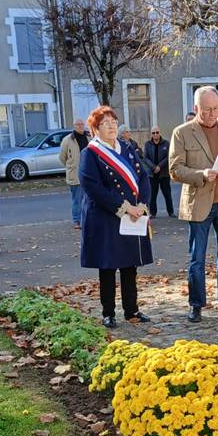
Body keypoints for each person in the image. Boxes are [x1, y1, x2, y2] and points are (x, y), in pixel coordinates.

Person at [169, 85, 218, 322]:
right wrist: (201, 174)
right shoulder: (181, 132)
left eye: (215, 109)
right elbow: (174, 169)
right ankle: (196, 304)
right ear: (196, 108)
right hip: (199, 203)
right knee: (197, 257)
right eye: (206, 110)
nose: (211, 114)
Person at [79, 105, 152, 328]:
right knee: (108, 267)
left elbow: (143, 177)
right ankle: (108, 312)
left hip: (132, 215)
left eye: (114, 122)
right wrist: (125, 207)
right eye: (105, 123)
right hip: (106, 217)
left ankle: (132, 310)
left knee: (130, 265)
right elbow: (92, 187)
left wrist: (141, 205)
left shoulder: (127, 148)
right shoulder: (90, 153)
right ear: (95, 128)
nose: (112, 126)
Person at [59, 119, 89, 229]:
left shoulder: (89, 138)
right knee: (77, 199)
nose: (80, 126)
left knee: (89, 198)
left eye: (82, 124)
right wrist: (70, 165)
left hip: (88, 174)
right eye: (78, 124)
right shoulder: (67, 140)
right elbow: (62, 157)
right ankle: (77, 220)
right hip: (75, 175)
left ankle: (87, 219)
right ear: (74, 126)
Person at [144, 128, 175, 218]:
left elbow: (169, 156)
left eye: (157, 132)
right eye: (153, 133)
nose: (155, 134)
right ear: (151, 134)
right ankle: (153, 213)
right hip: (152, 174)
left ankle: (171, 212)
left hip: (164, 174)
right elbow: (145, 158)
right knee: (152, 195)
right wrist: (154, 167)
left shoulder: (166, 143)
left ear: (160, 133)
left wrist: (159, 166)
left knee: (167, 194)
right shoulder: (147, 144)